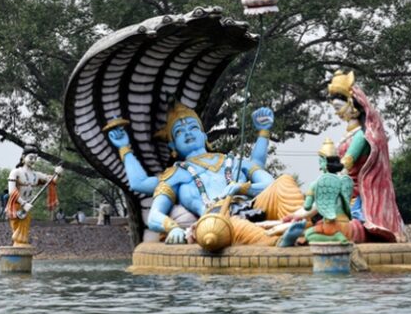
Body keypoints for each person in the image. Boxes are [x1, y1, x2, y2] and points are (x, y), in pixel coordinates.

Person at [107, 102, 305, 248]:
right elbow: (146, 196)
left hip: (252, 206)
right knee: (234, 225)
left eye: (193, 128)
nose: (188, 133)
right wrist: (124, 148)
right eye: (179, 132)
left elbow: (268, 183)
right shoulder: (175, 174)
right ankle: (278, 242)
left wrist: (263, 132)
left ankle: (301, 226)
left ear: (204, 135)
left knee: (284, 181)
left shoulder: (231, 160)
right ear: (172, 146)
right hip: (216, 219)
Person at [326, 70, 404, 242]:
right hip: (343, 183)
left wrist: (332, 168)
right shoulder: (347, 135)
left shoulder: (361, 136)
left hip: (354, 189)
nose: (337, 113)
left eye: (338, 108)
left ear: (351, 104)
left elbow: (346, 163)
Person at [5, 145, 63, 247]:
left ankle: (22, 245)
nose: (33, 160)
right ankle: (18, 245)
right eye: (31, 158)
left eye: (35, 158)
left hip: (27, 207)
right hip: (16, 206)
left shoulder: (36, 175)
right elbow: (11, 191)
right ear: (23, 157)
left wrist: (57, 173)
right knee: (17, 230)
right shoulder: (16, 172)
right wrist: (23, 203)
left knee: (25, 228)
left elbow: (52, 181)